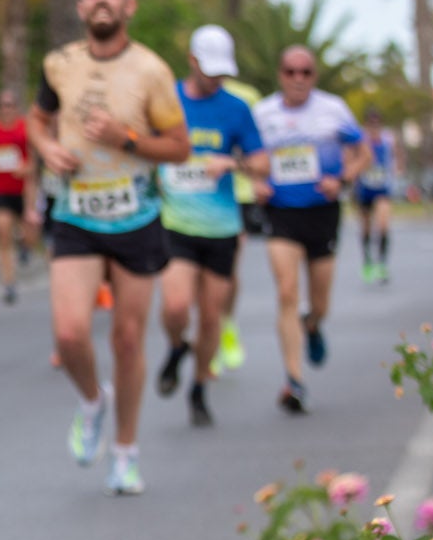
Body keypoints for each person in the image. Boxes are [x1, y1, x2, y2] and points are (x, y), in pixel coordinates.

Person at [28, 0, 190, 495]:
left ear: (128, 6)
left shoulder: (151, 71)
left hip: (136, 217)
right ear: (81, 7)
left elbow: (179, 146)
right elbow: (37, 118)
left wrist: (126, 138)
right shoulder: (60, 65)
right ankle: (92, 403)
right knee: (70, 333)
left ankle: (125, 452)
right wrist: (47, 147)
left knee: (126, 339)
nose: (101, 0)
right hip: (76, 212)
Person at [154, 25, 267, 427]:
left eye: (222, 71)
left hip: (220, 226)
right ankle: (174, 348)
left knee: (211, 316)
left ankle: (199, 387)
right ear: (192, 61)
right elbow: (146, 146)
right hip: (176, 222)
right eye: (209, 70)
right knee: (175, 305)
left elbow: (261, 162)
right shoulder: (167, 100)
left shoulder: (237, 108)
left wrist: (231, 163)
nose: (217, 78)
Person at [252, 46, 368, 416]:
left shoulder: (332, 110)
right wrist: (255, 180)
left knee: (320, 304)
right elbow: (248, 155)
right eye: (291, 72)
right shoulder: (263, 114)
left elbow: (363, 152)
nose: (298, 79)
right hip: (281, 214)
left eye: (306, 72)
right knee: (287, 292)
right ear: (280, 75)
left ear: (314, 76)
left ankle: (313, 325)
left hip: (322, 213)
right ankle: (294, 380)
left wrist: (344, 179)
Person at [214, 75, 265, 372]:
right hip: (197, 195)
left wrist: (259, 179)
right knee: (196, 273)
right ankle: (210, 334)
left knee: (227, 269)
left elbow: (257, 145)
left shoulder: (246, 94)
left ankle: (227, 323)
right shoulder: (184, 94)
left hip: (237, 193)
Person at [0, 87, 37, 305]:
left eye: (10, 105)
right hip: (2, 191)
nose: (6, 109)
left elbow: (35, 160)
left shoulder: (25, 129)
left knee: (30, 235)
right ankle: (9, 283)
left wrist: (27, 169)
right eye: (3, 105)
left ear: (16, 107)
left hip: (24, 191)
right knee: (3, 235)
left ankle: (25, 246)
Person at [354, 107, 399, 284]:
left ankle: (382, 265)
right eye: (371, 123)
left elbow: (396, 157)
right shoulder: (360, 139)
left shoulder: (388, 139)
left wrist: (397, 170)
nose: (374, 127)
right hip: (364, 188)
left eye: (377, 123)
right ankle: (367, 261)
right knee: (366, 228)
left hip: (383, 188)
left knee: (383, 225)